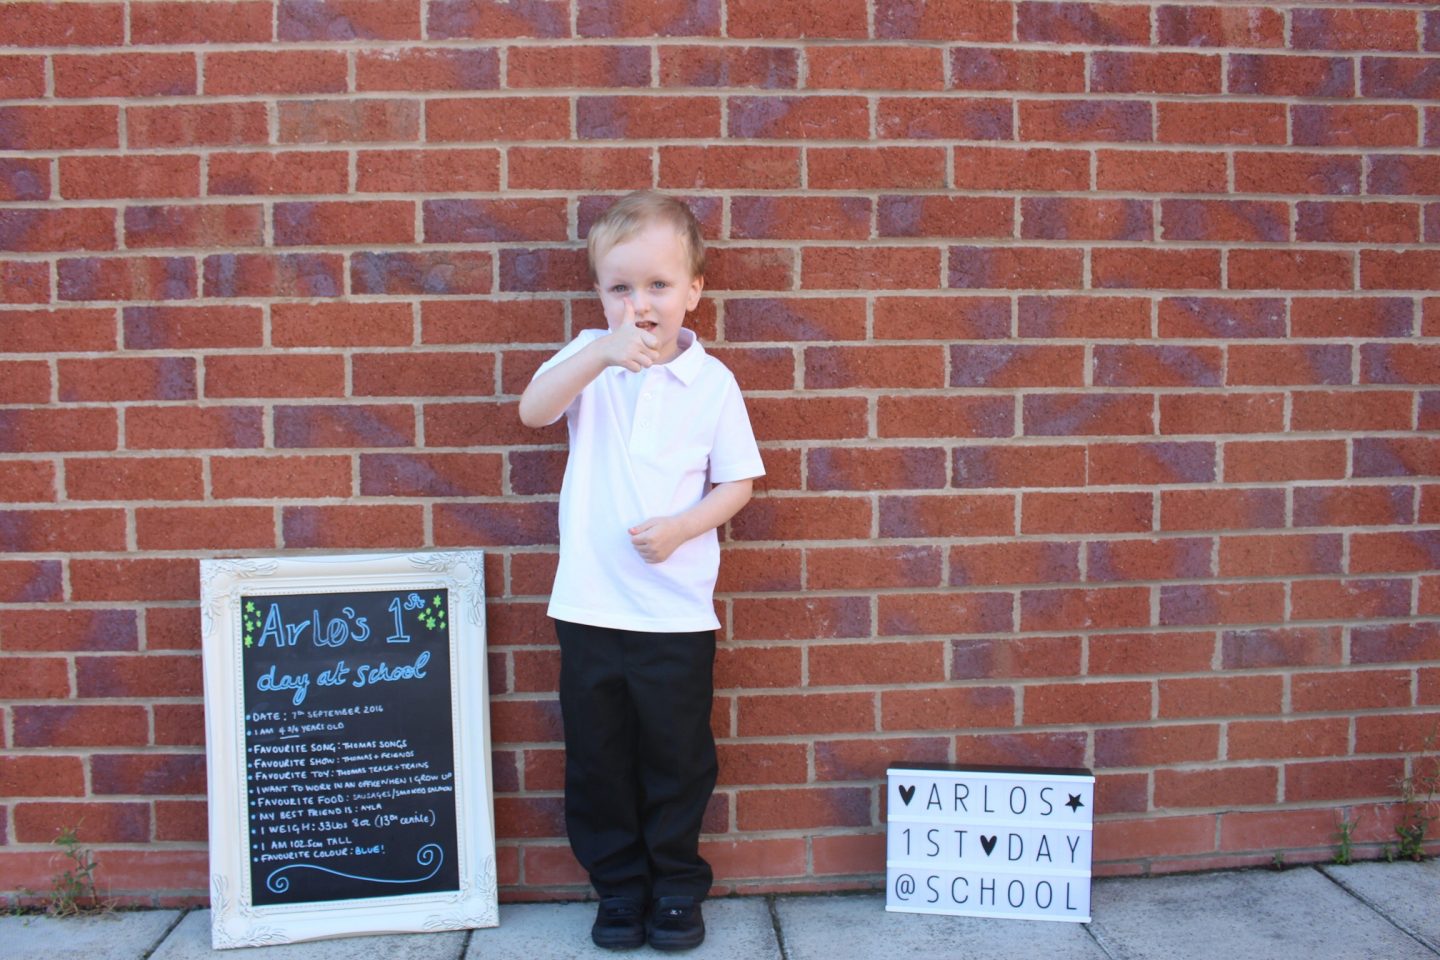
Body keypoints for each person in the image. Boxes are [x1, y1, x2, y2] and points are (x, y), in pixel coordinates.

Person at [518, 190, 764, 951]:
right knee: (597, 762)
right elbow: (533, 410)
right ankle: (618, 891)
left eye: (657, 286)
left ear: (693, 291)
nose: (639, 304)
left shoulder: (711, 382)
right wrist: (598, 351)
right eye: (619, 287)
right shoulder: (590, 360)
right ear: (599, 294)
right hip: (591, 608)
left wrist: (684, 527)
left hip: (675, 615)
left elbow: (738, 483)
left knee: (678, 761)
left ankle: (676, 890)